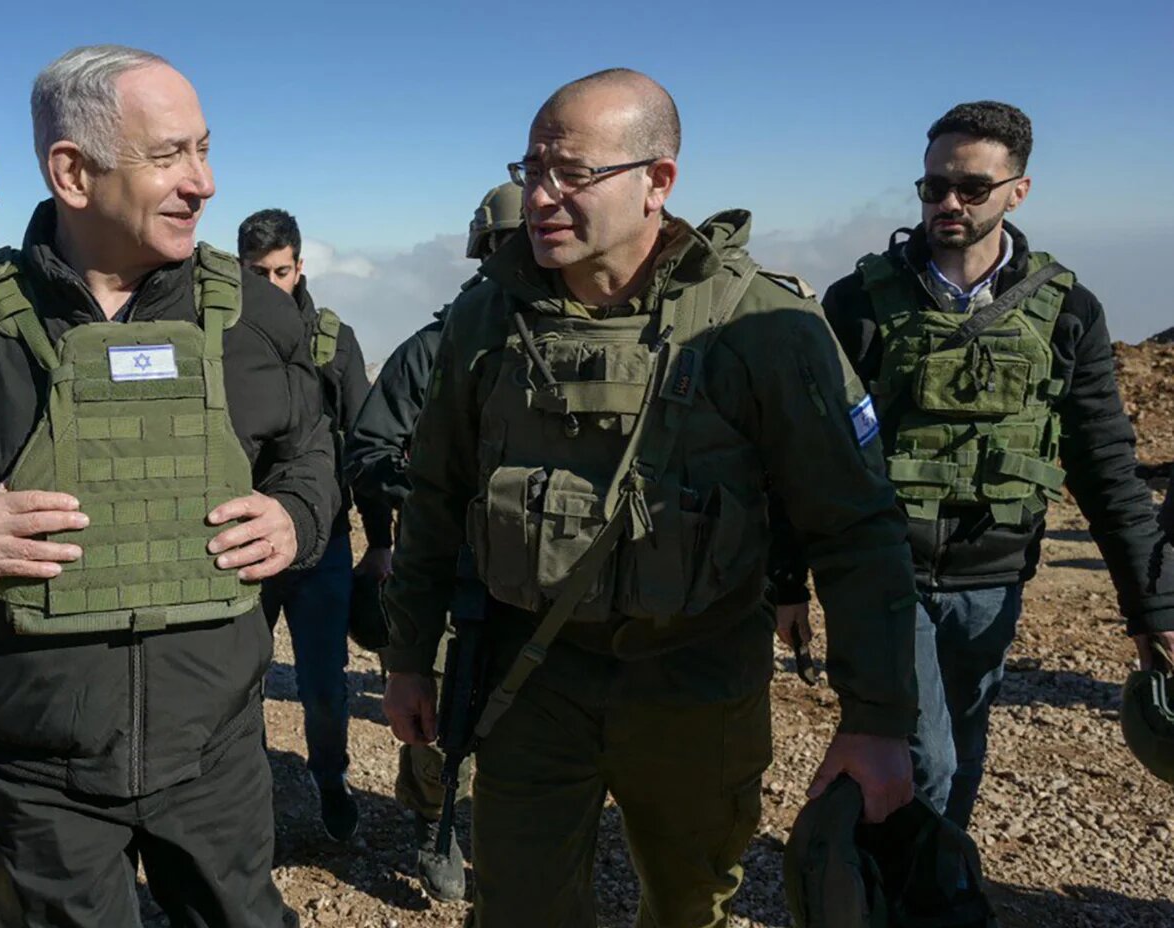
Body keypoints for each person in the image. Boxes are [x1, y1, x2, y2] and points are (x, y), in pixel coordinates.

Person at [381, 68, 920, 927]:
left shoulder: (759, 326)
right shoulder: (489, 321)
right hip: (532, 679)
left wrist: (878, 720)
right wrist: (407, 655)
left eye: (572, 173)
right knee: (517, 906)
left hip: (697, 677)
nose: (542, 197)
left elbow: (855, 529)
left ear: (656, 182)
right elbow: (437, 497)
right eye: (531, 171)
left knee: (688, 903)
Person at [0, 45, 336, 927]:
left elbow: (310, 454)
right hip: (38, 770)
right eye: (170, 155)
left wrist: (297, 514)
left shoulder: (255, 317)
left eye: (205, 148)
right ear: (72, 171)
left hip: (215, 753)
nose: (205, 182)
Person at [773, 100, 1174, 830]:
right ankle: (905, 895)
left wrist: (1152, 607)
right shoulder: (860, 302)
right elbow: (809, 452)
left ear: (1018, 190)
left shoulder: (1067, 311)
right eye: (932, 187)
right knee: (924, 754)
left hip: (995, 572)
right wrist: (785, 578)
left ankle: (927, 872)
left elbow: (1105, 463)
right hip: (883, 566)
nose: (947, 203)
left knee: (963, 739)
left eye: (971, 188)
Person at [341, 180, 521, 901]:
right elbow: (370, 449)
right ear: (485, 252)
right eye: (506, 246)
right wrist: (432, 495)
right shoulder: (436, 347)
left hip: (548, 571)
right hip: (453, 565)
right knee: (446, 702)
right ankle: (431, 820)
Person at [236, 207, 391, 841]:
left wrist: (379, 542)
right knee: (235, 685)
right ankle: (242, 800)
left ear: (300, 267)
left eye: (281, 271)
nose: (271, 286)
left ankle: (331, 778)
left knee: (324, 687)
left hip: (320, 542)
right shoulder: (220, 338)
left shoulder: (332, 340)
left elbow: (365, 444)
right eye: (256, 273)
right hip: (240, 541)